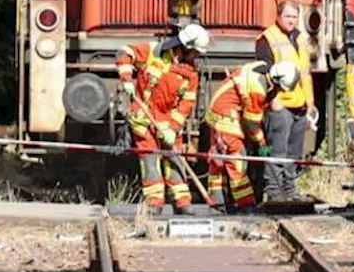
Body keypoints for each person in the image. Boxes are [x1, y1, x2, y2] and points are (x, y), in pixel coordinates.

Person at [123, 24, 211, 215]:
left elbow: (186, 105)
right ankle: (154, 204)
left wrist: (172, 128)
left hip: (168, 125)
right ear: (186, 47)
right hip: (144, 120)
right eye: (195, 52)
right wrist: (126, 79)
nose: (197, 57)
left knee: (176, 161)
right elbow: (125, 53)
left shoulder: (191, 75)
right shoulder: (154, 52)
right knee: (150, 160)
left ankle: (183, 203)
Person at [203, 60, 300, 213]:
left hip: (218, 113)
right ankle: (245, 205)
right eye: (281, 88)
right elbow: (251, 123)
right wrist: (261, 142)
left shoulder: (261, 68)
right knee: (237, 161)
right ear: (277, 80)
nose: (280, 91)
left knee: (219, 163)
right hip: (226, 117)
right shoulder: (258, 88)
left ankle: (218, 203)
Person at [254, 0, 315, 202]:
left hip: (300, 104)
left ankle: (290, 192)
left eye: (295, 17)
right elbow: (264, 73)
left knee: (293, 153)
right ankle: (274, 192)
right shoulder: (267, 39)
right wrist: (274, 100)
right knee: (277, 152)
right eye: (288, 16)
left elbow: (305, 73)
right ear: (278, 16)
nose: (292, 20)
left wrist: (310, 102)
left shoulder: (300, 38)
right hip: (281, 104)